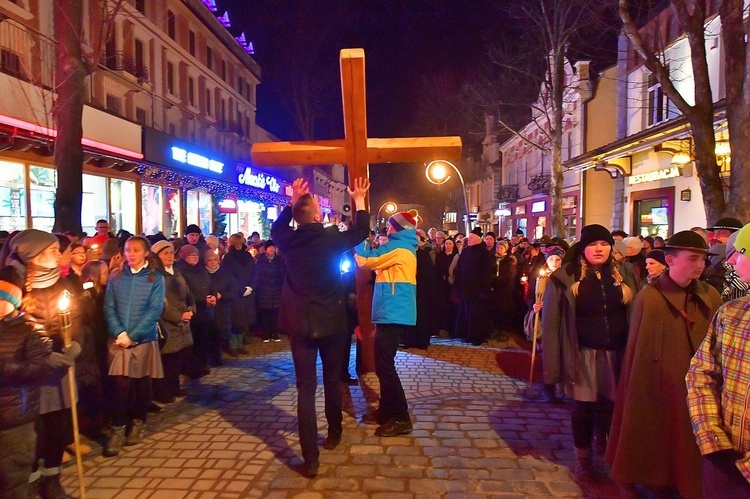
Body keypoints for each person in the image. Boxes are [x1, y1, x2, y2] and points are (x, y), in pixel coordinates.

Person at [607, 231, 721, 498]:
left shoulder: (711, 295)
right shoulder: (649, 297)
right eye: (693, 258)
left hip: (699, 384)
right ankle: (648, 478)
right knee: (653, 431)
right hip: (657, 383)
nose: (700, 265)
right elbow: (640, 349)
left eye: (703, 259)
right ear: (670, 260)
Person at [271, 177, 370, 477]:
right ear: (317, 215)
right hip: (331, 321)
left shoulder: (286, 239)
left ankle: (310, 458)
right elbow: (361, 231)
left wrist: (292, 202)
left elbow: (277, 228)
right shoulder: (329, 238)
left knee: (305, 388)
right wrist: (360, 199)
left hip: (299, 322)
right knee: (331, 380)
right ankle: (335, 432)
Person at [541, 224, 636, 481]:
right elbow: (552, 324)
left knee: (610, 407)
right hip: (582, 353)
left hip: (616, 353)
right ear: (583, 248)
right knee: (584, 408)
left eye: (604, 244)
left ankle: (605, 449)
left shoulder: (623, 274)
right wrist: (552, 364)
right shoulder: (566, 277)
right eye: (593, 244)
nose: (599, 249)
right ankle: (583, 457)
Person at [8, 229, 84, 497]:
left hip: (60, 369)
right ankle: (30, 479)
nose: (59, 254)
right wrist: (42, 354)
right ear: (34, 255)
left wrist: (74, 342)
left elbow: (74, 318)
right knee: (33, 433)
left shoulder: (61, 283)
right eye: (52, 250)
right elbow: (11, 333)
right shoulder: (12, 286)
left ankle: (52, 479)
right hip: (30, 374)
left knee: (59, 428)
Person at [0, 268, 76, 499]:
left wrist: (5, 368)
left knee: (14, 476)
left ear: (12, 302)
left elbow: (39, 367)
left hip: (15, 417)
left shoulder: (28, 329)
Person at [686, 222, 750, 497]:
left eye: (740, 251)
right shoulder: (732, 314)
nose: (731, 259)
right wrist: (714, 441)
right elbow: (701, 373)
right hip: (723, 462)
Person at [355, 209, 418, 437]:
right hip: (392, 312)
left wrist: (359, 236)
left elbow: (365, 260)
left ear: (399, 228)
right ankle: (386, 410)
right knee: (384, 366)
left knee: (386, 367)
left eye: (391, 226)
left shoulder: (399, 248)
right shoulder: (403, 247)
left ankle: (401, 417)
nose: (387, 229)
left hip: (393, 313)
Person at [102, 236, 165, 457]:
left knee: (140, 383)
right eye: (128, 250)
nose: (130, 254)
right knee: (120, 385)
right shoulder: (117, 276)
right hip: (119, 339)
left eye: (136, 250)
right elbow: (109, 306)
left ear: (146, 253)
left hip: (143, 339)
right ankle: (117, 428)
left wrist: (134, 335)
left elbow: (154, 310)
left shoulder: (155, 278)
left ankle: (138, 422)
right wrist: (119, 332)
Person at [151, 241, 194, 404]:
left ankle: (174, 386)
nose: (169, 256)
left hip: (183, 322)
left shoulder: (176, 272)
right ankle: (163, 391)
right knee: (167, 360)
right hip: (168, 323)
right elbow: (161, 303)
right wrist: (178, 316)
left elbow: (188, 293)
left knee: (177, 358)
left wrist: (191, 309)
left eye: (170, 253)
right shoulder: (156, 275)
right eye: (165, 253)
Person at [453, 227, 494, 345]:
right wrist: (457, 284)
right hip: (465, 289)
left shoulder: (484, 253)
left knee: (476, 315)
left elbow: (486, 273)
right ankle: (466, 334)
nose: (469, 240)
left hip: (477, 291)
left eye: (471, 238)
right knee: (466, 313)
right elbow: (459, 268)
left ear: (478, 239)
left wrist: (483, 290)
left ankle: (476, 337)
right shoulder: (466, 251)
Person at [221, 234, 256, 355]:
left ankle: (240, 344)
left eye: (240, 244)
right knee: (234, 321)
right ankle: (233, 345)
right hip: (235, 293)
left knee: (243, 321)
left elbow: (254, 272)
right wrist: (241, 289)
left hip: (247, 292)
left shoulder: (247, 256)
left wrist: (251, 286)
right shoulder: (228, 257)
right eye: (236, 244)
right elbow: (228, 276)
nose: (238, 246)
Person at [255, 240, 286, 343]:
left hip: (276, 289)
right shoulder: (261, 260)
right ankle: (266, 334)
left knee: (275, 313)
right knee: (265, 313)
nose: (271, 249)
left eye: (273, 247)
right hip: (264, 290)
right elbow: (258, 275)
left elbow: (282, 274)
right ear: (266, 249)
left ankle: (275, 333)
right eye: (269, 247)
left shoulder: (279, 260)